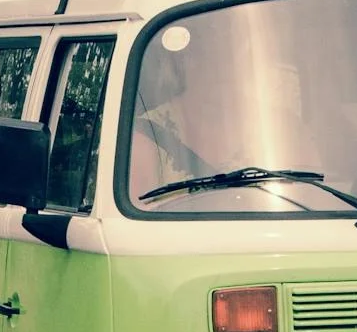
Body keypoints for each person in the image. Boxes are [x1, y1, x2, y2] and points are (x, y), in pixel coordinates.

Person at [129, 20, 324, 199]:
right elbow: (131, 226)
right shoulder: (150, 133)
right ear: (185, 61)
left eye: (232, 54)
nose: (222, 67)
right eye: (208, 53)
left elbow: (312, 199)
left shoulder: (283, 126)